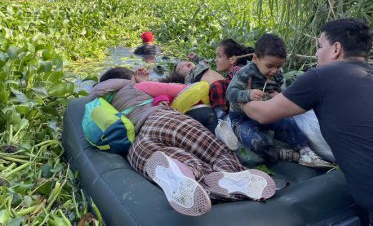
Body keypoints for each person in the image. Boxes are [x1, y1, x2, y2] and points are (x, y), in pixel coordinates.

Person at [240, 18, 373, 224]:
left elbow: (263, 114)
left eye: (320, 46)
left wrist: (236, 97)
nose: (316, 53)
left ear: (336, 49)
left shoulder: (322, 76)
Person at [90, 67, 277, 216]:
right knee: (214, 151)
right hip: (163, 119)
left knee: (174, 159)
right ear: (129, 78)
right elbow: (184, 90)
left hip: (137, 144)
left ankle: (189, 173)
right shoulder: (137, 87)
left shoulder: (99, 106)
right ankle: (229, 173)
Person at [226, 33, 333, 168]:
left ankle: (306, 151)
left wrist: (279, 96)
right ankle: (280, 153)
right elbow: (230, 93)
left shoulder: (278, 75)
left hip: (267, 113)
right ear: (255, 58)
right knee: (255, 141)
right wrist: (248, 94)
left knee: (288, 122)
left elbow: (281, 95)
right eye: (269, 66)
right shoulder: (245, 73)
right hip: (242, 118)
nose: (274, 71)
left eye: (278, 66)